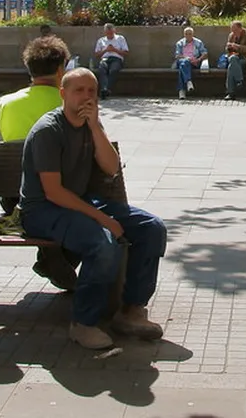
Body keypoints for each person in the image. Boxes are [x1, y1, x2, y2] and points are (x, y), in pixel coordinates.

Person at [19, 68, 168, 350]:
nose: (86, 97)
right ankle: (83, 322)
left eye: (92, 91)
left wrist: (96, 127)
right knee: (103, 243)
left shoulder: (90, 126)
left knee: (152, 228)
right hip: (42, 210)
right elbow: (52, 191)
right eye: (79, 91)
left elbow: (111, 168)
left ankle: (131, 310)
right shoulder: (48, 130)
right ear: (63, 94)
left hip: (79, 201)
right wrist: (103, 219)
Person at [0, 35, 79, 290]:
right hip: (60, 194)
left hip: (12, 196)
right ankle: (50, 259)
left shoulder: (4, 104)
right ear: (62, 69)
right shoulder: (70, 103)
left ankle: (49, 258)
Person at [224, 20, 246, 100]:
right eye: (232, 30)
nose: (233, 32)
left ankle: (230, 93)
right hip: (234, 58)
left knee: (231, 67)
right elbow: (227, 50)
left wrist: (239, 47)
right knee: (233, 60)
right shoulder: (231, 36)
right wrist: (229, 48)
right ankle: (239, 81)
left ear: (240, 28)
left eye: (235, 30)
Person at [93, 23, 129, 98]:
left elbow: (126, 52)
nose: (109, 35)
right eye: (108, 33)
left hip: (116, 59)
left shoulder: (120, 38)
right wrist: (106, 50)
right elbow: (96, 54)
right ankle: (105, 90)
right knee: (102, 69)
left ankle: (105, 89)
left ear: (114, 31)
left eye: (111, 33)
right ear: (105, 32)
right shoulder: (101, 40)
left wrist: (114, 50)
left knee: (114, 70)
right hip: (105, 59)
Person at [172, 27, 207, 100]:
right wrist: (186, 58)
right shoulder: (180, 43)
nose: (188, 35)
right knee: (184, 62)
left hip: (194, 63)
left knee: (182, 69)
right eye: (186, 34)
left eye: (190, 34)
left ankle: (182, 91)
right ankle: (188, 81)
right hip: (182, 60)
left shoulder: (198, 42)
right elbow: (177, 55)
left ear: (193, 34)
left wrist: (198, 60)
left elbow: (204, 53)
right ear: (184, 35)